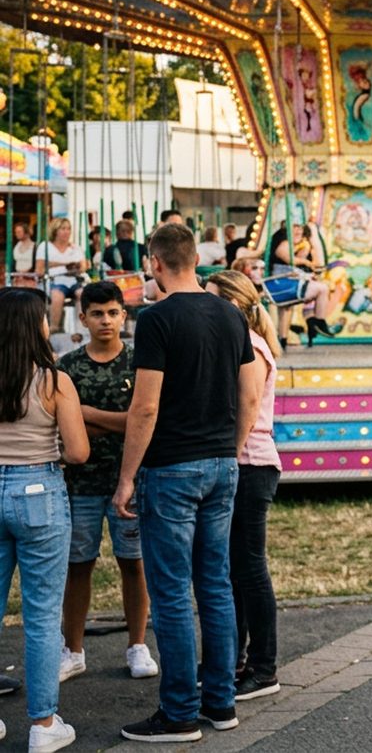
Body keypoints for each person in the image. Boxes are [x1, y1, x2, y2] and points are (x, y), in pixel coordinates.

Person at [113, 223, 257, 743]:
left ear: (155, 263)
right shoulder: (229, 313)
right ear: (196, 259)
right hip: (222, 462)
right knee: (215, 585)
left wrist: (126, 477)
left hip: (171, 466)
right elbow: (249, 394)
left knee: (172, 592)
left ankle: (178, 712)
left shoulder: (155, 320)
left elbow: (145, 405)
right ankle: (220, 702)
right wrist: (233, 447)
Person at [0, 287, 89, 752]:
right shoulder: (54, 382)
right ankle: (43, 724)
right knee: (40, 615)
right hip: (39, 493)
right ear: (36, 326)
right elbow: (77, 451)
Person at [57, 282, 157, 686]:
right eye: (97, 313)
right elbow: (63, 426)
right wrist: (110, 423)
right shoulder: (68, 367)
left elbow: (144, 417)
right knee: (77, 565)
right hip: (79, 482)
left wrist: (86, 414)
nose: (106, 320)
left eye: (113, 312)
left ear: (124, 315)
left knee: (132, 562)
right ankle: (73, 649)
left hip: (127, 479)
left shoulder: (139, 362)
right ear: (83, 318)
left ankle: (137, 645)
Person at [205, 270, 284, 702]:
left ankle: (263, 666)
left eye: (215, 300)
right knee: (233, 568)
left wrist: (230, 456)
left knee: (250, 568)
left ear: (234, 303)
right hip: (247, 462)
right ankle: (232, 658)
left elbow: (249, 404)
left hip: (251, 464)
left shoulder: (251, 345)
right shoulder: (243, 342)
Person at [34, 219, 89, 334]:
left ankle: (82, 327)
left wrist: (75, 267)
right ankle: (54, 327)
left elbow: (83, 267)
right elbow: (39, 269)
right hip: (55, 280)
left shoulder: (75, 248)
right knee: (57, 296)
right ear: (55, 231)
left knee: (83, 294)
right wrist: (63, 264)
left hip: (74, 280)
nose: (66, 232)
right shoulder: (45, 247)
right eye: (63, 229)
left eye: (68, 229)